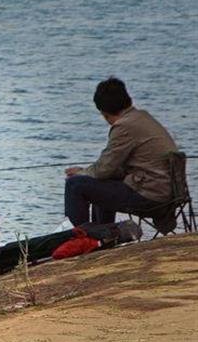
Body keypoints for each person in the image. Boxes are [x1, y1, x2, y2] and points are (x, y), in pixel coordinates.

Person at [64, 77, 178, 229]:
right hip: (165, 192)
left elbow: (104, 169)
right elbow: (110, 169)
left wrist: (81, 173)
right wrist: (88, 173)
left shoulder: (125, 126)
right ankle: (103, 234)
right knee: (102, 184)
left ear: (104, 112)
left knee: (74, 185)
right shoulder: (142, 117)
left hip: (151, 197)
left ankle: (80, 238)